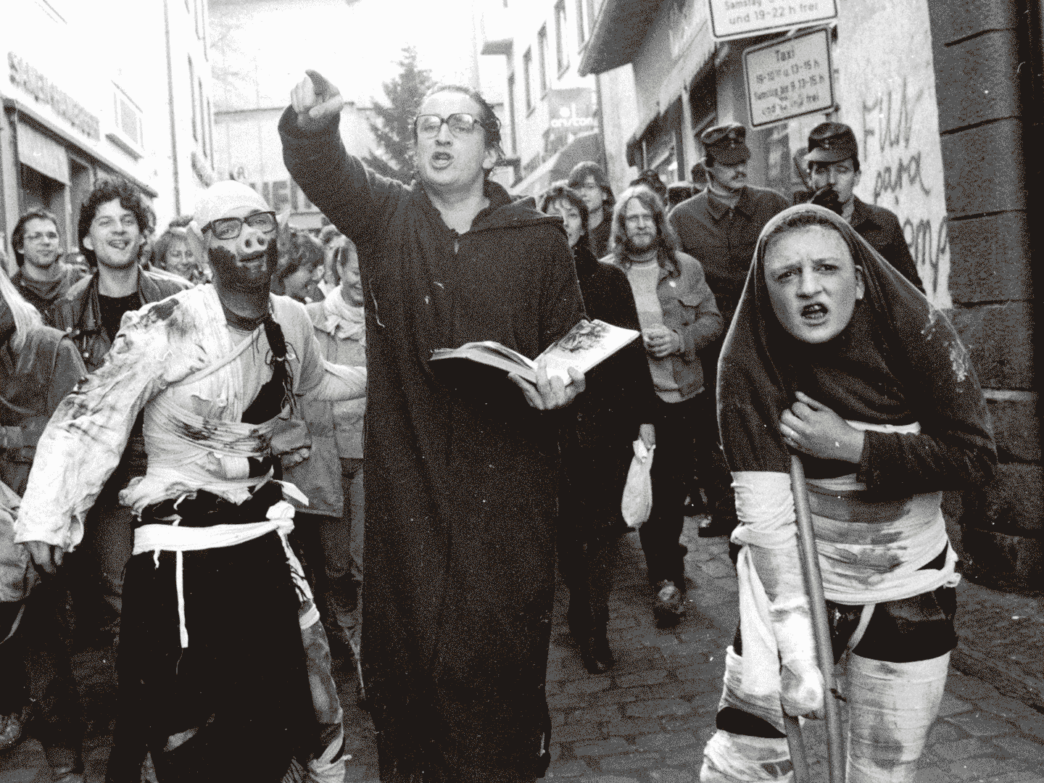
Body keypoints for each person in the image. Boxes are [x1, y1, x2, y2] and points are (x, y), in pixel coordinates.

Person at [282, 70, 586, 782]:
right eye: (427, 124)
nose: (440, 134)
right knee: (414, 660)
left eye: (460, 123)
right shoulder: (387, 217)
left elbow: (572, 347)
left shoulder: (538, 238)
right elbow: (324, 170)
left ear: (490, 151)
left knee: (501, 661)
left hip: (506, 492)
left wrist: (562, 386)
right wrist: (312, 127)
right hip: (410, 489)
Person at [15, 179, 367, 783]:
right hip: (180, 550)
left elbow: (319, 382)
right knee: (183, 722)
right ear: (204, 249)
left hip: (260, 534)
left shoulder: (290, 320)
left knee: (289, 702)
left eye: (258, 223)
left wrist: (393, 369)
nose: (249, 239)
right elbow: (92, 418)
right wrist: (47, 515)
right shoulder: (167, 325)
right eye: (227, 229)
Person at [700, 204, 996, 783]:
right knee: (741, 768)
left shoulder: (922, 335)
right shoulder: (748, 362)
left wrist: (854, 447)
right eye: (786, 275)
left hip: (908, 587)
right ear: (764, 292)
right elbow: (764, 520)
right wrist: (796, 646)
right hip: (794, 591)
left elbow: (974, 458)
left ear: (859, 280)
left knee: (884, 773)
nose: (809, 287)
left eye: (826, 269)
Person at [51, 178, 190, 644]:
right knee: (121, 591)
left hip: (172, 462)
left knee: (181, 583)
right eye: (105, 222)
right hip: (105, 475)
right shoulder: (65, 312)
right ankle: (144, 702)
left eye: (127, 221)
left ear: (143, 233)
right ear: (87, 239)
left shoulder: (178, 298)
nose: (118, 231)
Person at [539, 182, 656, 673]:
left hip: (606, 422)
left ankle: (597, 625)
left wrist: (646, 420)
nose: (564, 221)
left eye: (572, 213)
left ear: (585, 222)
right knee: (567, 531)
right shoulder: (531, 280)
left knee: (604, 530)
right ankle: (581, 604)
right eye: (554, 214)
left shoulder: (608, 279)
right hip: (553, 426)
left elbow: (632, 357)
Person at [604, 185, 723, 626]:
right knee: (645, 488)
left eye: (647, 218)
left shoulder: (686, 269)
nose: (639, 225)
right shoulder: (606, 274)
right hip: (633, 403)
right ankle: (666, 575)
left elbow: (713, 319)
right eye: (631, 218)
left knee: (670, 489)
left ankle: (667, 571)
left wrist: (680, 340)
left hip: (680, 395)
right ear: (621, 226)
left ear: (659, 223)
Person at [668, 123, 789, 538]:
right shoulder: (683, 219)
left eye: (743, 162)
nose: (740, 171)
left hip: (770, 337)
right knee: (715, 429)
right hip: (712, 344)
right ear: (708, 168)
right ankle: (725, 510)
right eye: (729, 165)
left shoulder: (772, 205)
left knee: (774, 418)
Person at [0, 271, 87, 782]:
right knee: (33, 641)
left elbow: (79, 431)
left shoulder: (51, 347)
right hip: (11, 519)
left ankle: (69, 760)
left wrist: (9, 435)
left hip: (58, 515)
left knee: (48, 640)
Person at [282, 234, 367, 689]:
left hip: (371, 457)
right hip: (323, 462)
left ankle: (366, 659)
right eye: (355, 270)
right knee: (334, 568)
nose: (361, 280)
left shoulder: (386, 316)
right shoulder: (310, 319)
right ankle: (345, 636)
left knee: (363, 563)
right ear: (339, 269)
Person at [806, 121, 925, 292]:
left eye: (841, 170)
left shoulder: (883, 223)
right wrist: (810, 221)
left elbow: (913, 294)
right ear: (810, 177)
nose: (831, 180)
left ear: (856, 176)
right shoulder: (795, 229)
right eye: (822, 171)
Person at [9, 209, 86, 324]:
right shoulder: (10, 291)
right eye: (36, 236)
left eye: (52, 236)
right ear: (20, 246)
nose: (46, 242)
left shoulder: (79, 282)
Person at [568, 160, 615, 258]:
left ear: (604, 193)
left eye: (590, 187)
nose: (583, 193)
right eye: (577, 188)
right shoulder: (569, 232)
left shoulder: (617, 227)